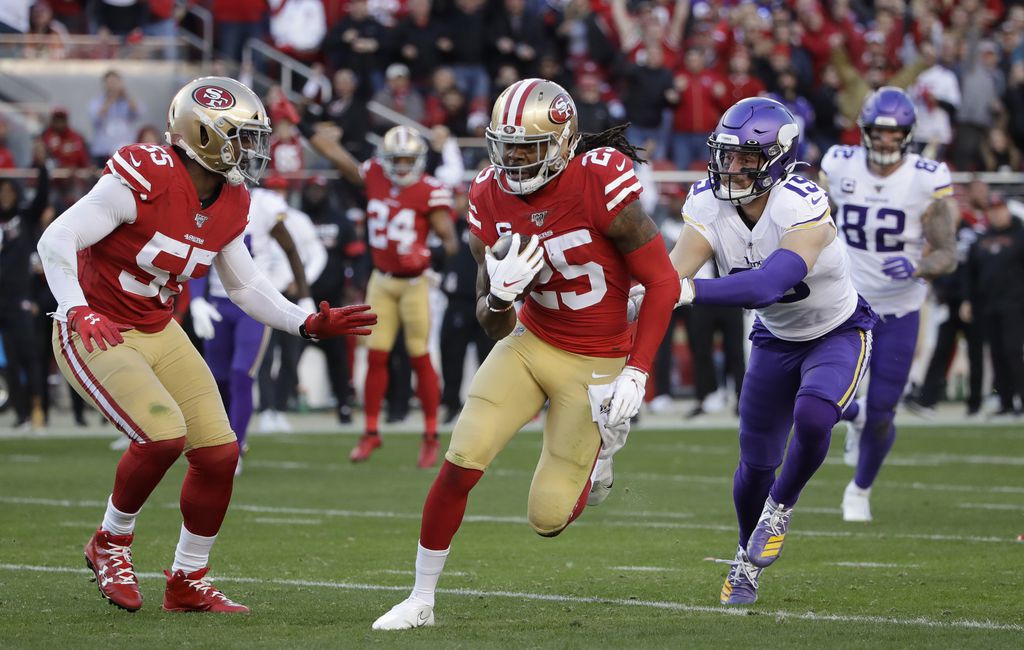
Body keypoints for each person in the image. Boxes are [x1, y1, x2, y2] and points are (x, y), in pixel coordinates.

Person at [35, 77, 376, 614]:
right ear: (203, 135)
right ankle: (110, 541)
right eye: (241, 136)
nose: (253, 150)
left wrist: (304, 323)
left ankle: (187, 578)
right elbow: (57, 237)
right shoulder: (144, 174)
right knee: (163, 436)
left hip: (158, 328)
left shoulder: (232, 197)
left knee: (219, 454)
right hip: (96, 326)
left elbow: (244, 284)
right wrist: (75, 306)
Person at [370, 78, 680, 630]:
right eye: (504, 145)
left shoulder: (599, 182)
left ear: (562, 142)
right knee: (462, 459)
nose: (512, 159)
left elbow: (662, 283)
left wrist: (637, 370)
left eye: (527, 147)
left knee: (548, 518)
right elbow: (492, 324)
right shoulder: (488, 194)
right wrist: (498, 293)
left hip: (597, 361)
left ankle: (597, 461)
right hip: (529, 343)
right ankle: (420, 599)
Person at [641, 97, 878, 605]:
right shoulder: (708, 202)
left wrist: (689, 292)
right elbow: (674, 267)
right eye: (728, 155)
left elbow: (769, 284)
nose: (733, 168)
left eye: (747, 158)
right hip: (774, 339)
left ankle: (781, 510)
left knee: (814, 417)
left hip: (837, 330)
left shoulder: (801, 202)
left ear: (777, 158)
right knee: (754, 464)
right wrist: (639, 292)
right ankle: (745, 561)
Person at [822, 87, 958, 523]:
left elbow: (947, 253)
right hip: (846, 302)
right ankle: (853, 419)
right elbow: (813, 220)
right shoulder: (839, 164)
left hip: (899, 308)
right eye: (878, 132)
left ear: (908, 134)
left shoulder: (926, 177)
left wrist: (918, 266)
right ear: (864, 131)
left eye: (894, 133)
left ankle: (859, 489)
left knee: (882, 410)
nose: (885, 141)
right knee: (819, 396)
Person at [305, 123, 458, 468]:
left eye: (408, 160)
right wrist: (305, 124)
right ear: (385, 159)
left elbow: (449, 241)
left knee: (419, 356)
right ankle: (371, 432)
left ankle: (431, 436)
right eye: (396, 160)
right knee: (375, 357)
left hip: (415, 283)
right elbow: (336, 156)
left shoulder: (430, 190)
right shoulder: (373, 173)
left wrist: (428, 256)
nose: (402, 167)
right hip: (381, 280)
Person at [191, 174, 321, 472]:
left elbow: (290, 248)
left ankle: (234, 449)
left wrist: (304, 296)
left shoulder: (264, 204)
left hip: (252, 304)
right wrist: (197, 299)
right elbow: (196, 252)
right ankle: (218, 441)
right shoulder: (208, 198)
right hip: (218, 304)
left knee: (241, 375)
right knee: (217, 379)